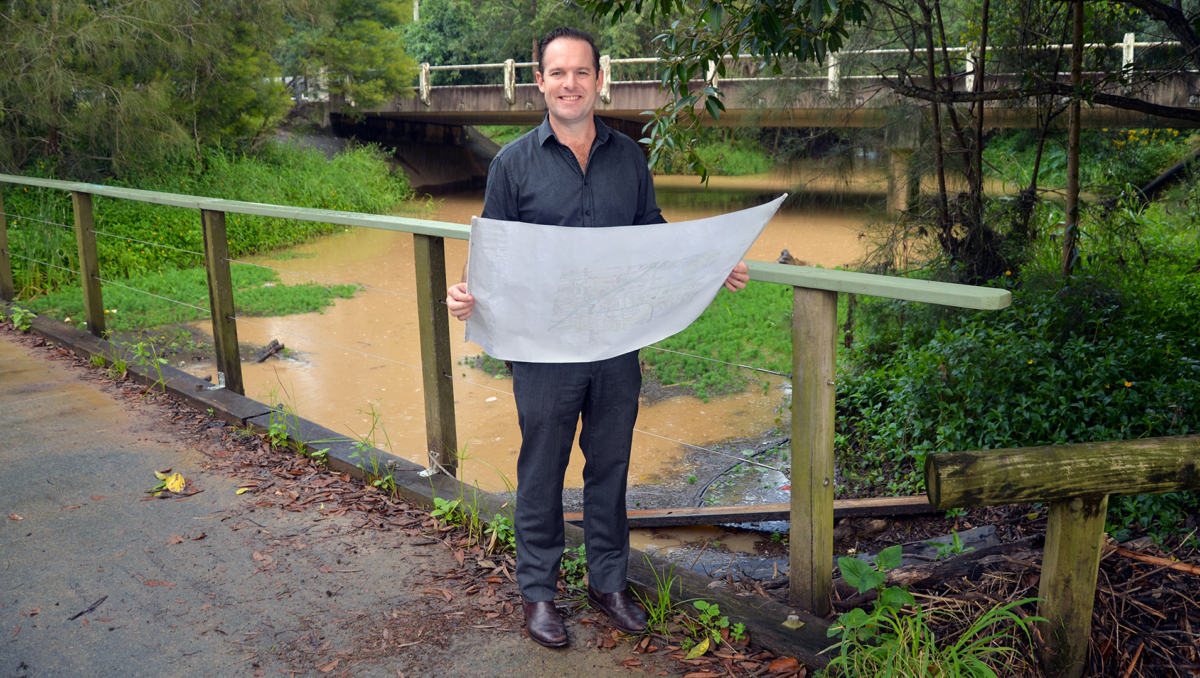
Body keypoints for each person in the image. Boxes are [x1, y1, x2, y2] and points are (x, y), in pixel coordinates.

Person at [445, 27, 750, 649]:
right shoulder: (511, 164)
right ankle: (539, 594)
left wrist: (708, 263)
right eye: (557, 73)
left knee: (609, 466)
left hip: (616, 345)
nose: (570, 84)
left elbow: (652, 237)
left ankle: (608, 583)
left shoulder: (629, 157)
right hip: (543, 351)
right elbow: (495, 257)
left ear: (599, 80)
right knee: (541, 470)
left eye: (581, 72)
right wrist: (466, 295)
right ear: (540, 82)